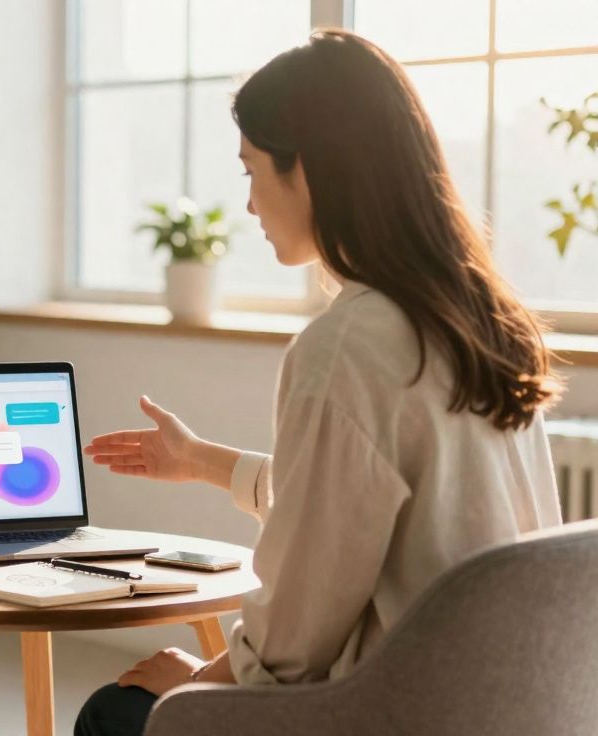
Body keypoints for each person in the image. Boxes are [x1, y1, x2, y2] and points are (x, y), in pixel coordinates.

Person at [75, 30, 563, 736]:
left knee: (116, 712)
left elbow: (288, 652)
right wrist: (199, 461)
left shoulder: (348, 346)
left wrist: (192, 683)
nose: (247, 204)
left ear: (303, 170)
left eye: (250, 172)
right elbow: (359, 507)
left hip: (394, 712)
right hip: (505, 707)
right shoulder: (485, 321)